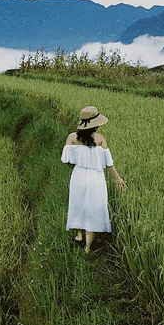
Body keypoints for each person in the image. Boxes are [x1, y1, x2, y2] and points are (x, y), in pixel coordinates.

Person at [61, 105, 127, 254]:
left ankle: (79, 236)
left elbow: (66, 160)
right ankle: (88, 248)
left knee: (78, 204)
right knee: (92, 210)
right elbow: (109, 163)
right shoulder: (100, 139)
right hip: (96, 178)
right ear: (95, 125)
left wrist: (77, 168)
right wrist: (118, 178)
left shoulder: (72, 138)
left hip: (78, 176)